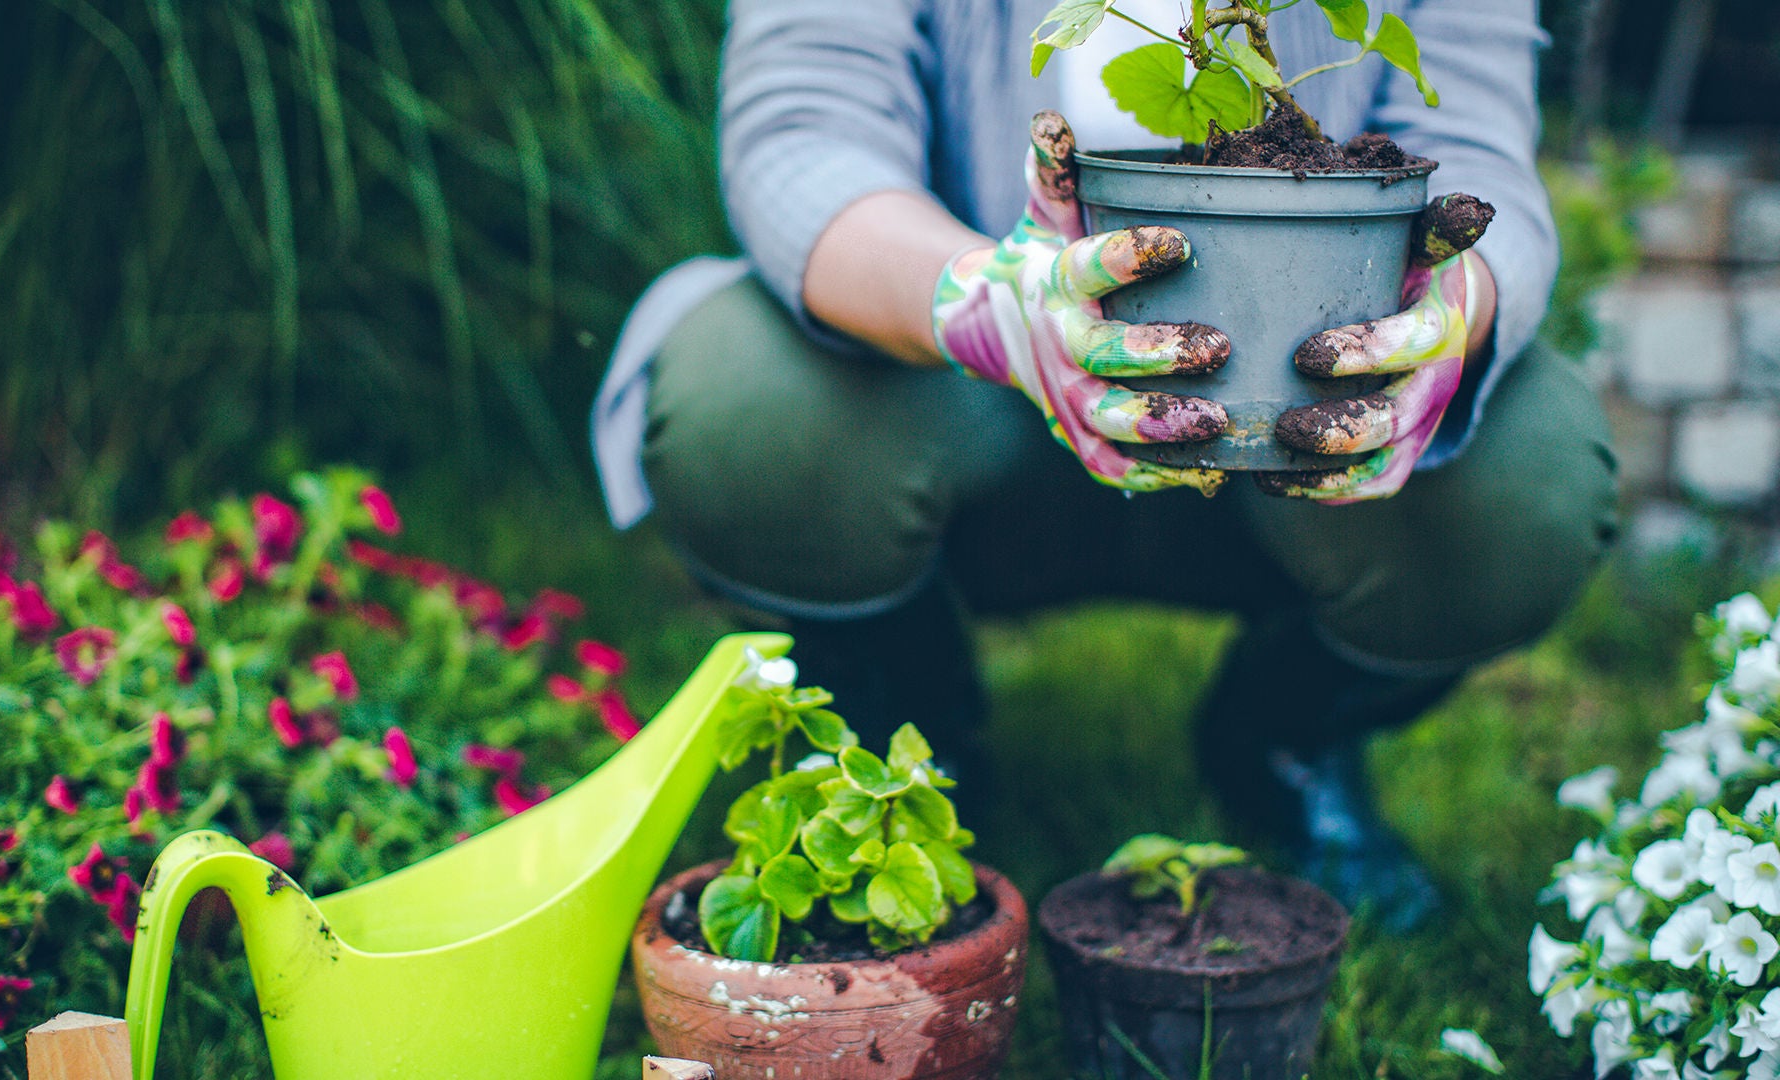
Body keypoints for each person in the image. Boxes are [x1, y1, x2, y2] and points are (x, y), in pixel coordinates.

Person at [590, 0, 1619, 928]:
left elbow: (1478, 155)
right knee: (746, 402)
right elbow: (804, 137)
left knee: (1528, 478)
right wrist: (991, 305)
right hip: (960, 400)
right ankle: (906, 717)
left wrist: (1454, 314)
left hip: (1298, 415)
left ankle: (1284, 735)